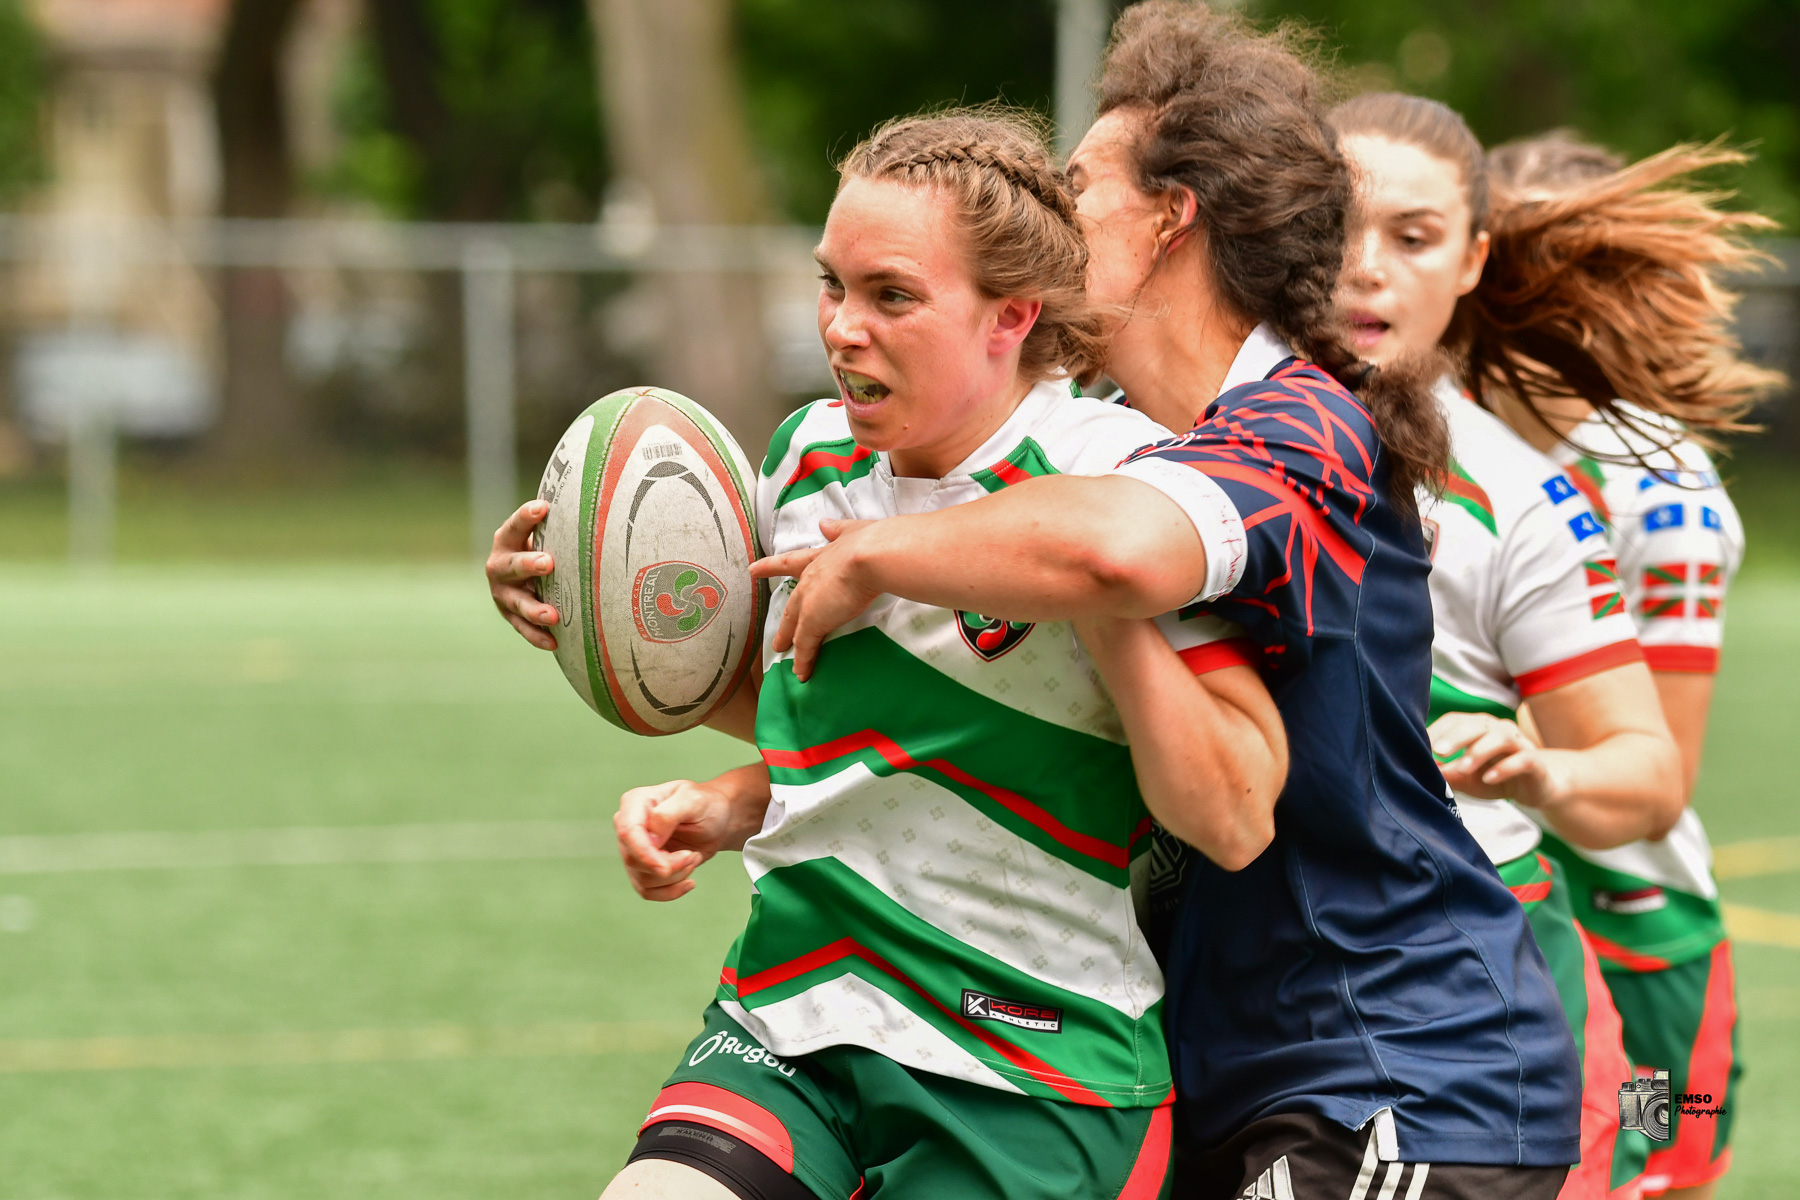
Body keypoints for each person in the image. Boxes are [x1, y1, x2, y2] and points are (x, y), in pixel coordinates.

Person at [749, 5, 1581, 1197]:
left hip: (1393, 1061)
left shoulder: (1293, 424)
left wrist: (879, 550)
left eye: (1080, 186)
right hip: (1229, 1062)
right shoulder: (1127, 439)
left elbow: (1119, 555)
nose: (1049, 206)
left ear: (1169, 219)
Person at [500, 107, 1292, 1200]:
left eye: (892, 296)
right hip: (790, 1014)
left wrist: (1087, 592)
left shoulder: (1118, 482)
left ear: (1011, 316)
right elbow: (823, 702)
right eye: (833, 285)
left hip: (1026, 1060)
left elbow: (1235, 817)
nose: (843, 327)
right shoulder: (807, 456)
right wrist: (591, 611)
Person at [1328, 92, 1693, 1200]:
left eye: (1413, 236)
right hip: (1230, 980)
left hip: (1556, 962)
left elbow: (1652, 771)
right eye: (1336, 225)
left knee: (1669, 1154)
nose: (1365, 268)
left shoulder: (1528, 500)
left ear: (1475, 257)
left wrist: (1545, 768)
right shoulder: (1177, 429)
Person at [1477, 130, 1783, 1200]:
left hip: (1631, 928)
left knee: (1650, 1172)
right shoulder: (1444, 432)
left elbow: (1658, 786)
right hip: (1497, 904)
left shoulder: (1662, 492)